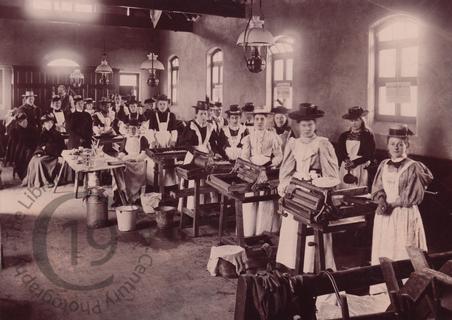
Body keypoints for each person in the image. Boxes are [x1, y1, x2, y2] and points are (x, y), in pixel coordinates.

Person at [276, 103, 339, 272]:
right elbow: (286, 170)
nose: (307, 128)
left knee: (313, 226)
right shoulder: (293, 144)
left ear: (315, 125)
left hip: (315, 190)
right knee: (293, 225)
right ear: (298, 125)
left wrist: (317, 183)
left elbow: (333, 175)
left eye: (310, 124)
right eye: (303, 125)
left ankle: (313, 266)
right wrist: (285, 185)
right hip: (297, 188)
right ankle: (292, 263)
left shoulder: (322, 144)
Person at [371, 124, 433, 266]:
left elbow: (413, 196)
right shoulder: (384, 164)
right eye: (392, 144)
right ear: (387, 145)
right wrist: (381, 201)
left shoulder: (414, 167)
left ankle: (408, 285)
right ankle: (385, 287)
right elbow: (378, 187)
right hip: (385, 214)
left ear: (407, 145)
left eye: (400, 144)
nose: (396, 147)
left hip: (404, 213)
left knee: (403, 249)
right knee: (384, 249)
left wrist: (392, 204)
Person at [240, 107, 283, 237]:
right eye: (257, 119)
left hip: (268, 171)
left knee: (266, 201)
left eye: (262, 119)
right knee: (251, 200)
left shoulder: (273, 137)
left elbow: (279, 156)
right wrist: (252, 168)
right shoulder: (248, 137)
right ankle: (249, 232)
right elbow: (244, 156)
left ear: (267, 120)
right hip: (252, 171)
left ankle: (265, 232)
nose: (259, 122)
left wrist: (268, 166)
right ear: (253, 120)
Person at [336, 106, 376, 189]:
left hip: (360, 166)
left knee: (357, 189)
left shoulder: (367, 135)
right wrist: (346, 160)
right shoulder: (344, 135)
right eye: (352, 121)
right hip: (346, 166)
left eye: (356, 120)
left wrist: (355, 162)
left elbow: (370, 154)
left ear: (362, 120)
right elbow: (340, 151)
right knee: (343, 189)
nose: (354, 123)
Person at [23, 113, 65, 187]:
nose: (48, 124)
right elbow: (39, 145)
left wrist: (46, 148)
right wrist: (39, 151)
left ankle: (45, 181)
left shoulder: (57, 134)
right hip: (44, 153)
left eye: (50, 123)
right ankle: (33, 181)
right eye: (46, 123)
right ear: (43, 124)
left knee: (40, 161)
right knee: (33, 160)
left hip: (54, 155)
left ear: (52, 123)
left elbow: (60, 147)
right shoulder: (42, 133)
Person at [5, 112, 38, 180]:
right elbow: (14, 145)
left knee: (33, 154)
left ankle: (34, 173)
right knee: (27, 155)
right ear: (19, 122)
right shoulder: (14, 130)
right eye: (22, 122)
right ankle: (26, 175)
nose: (25, 123)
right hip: (19, 150)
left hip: (31, 147)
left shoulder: (31, 128)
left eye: (26, 121)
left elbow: (36, 140)